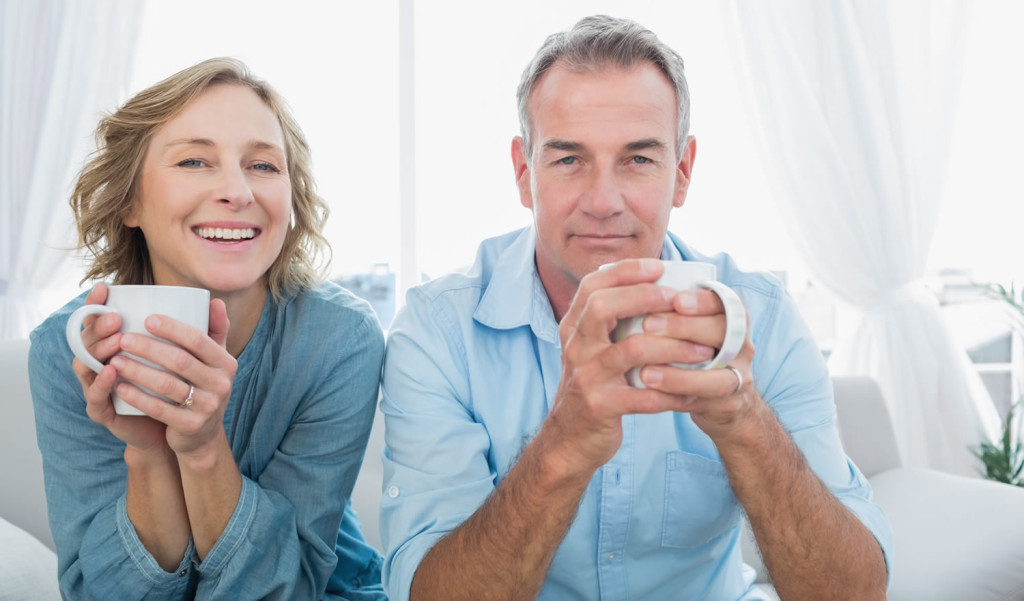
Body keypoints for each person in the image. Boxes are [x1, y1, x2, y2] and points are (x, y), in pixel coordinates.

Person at [379, 15, 892, 601]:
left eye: (638, 160)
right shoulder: (437, 330)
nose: (603, 202)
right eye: (569, 160)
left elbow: (855, 593)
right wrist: (565, 442)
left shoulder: (763, 318)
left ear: (682, 173)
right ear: (525, 174)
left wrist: (744, 422)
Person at [29, 58, 386, 600]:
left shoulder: (340, 340)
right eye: (195, 160)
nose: (237, 191)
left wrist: (200, 449)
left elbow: (288, 589)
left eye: (264, 166)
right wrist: (149, 454)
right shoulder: (69, 349)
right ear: (129, 200)